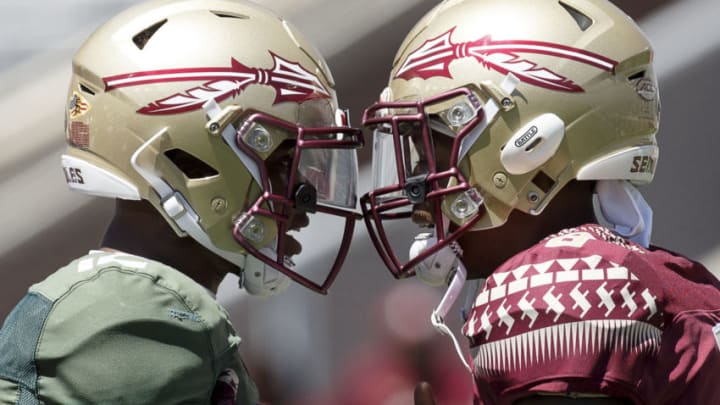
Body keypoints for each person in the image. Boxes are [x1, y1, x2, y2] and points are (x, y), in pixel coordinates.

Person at [0, 0, 363, 403]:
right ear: (188, 160)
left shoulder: (133, 305)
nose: (305, 202)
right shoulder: (136, 318)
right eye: (281, 161)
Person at [359, 0, 720, 404]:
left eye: (430, 151)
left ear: (529, 145)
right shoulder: (670, 280)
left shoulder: (555, 291)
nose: (418, 189)